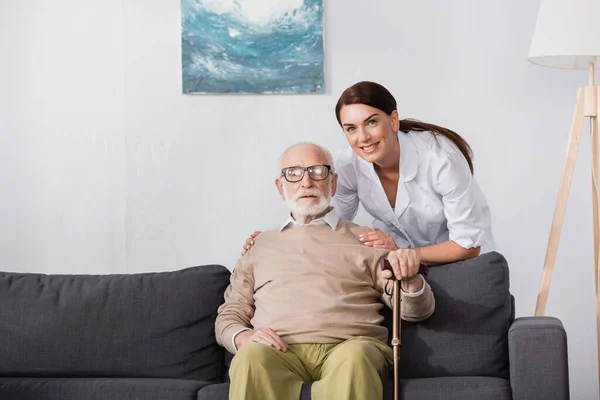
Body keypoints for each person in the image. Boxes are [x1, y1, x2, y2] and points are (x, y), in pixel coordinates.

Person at [216, 142, 435, 400]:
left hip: (350, 348)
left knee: (356, 357)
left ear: (333, 183)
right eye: (294, 173)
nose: (306, 182)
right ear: (280, 186)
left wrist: (410, 278)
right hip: (278, 351)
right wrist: (243, 337)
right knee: (250, 357)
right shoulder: (259, 245)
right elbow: (229, 315)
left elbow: (415, 312)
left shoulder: (368, 239)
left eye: (317, 171)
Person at [242, 81, 494, 269]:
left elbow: (467, 245)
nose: (362, 137)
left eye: (371, 122)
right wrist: (273, 238)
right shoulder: (349, 164)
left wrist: (405, 253)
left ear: (393, 120)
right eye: (351, 128)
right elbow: (329, 221)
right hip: (396, 265)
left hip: (459, 262)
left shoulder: (440, 159)